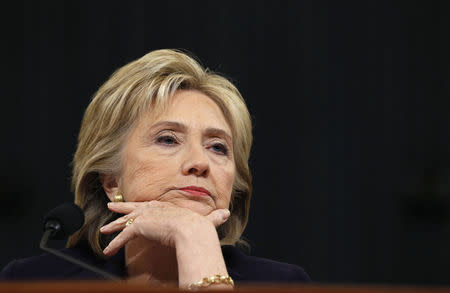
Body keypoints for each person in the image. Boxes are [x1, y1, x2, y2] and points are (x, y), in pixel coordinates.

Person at [1, 49, 310, 288]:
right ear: (111, 181)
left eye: (218, 147)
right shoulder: (35, 281)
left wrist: (195, 240)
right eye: (167, 139)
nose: (199, 163)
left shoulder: (283, 285)